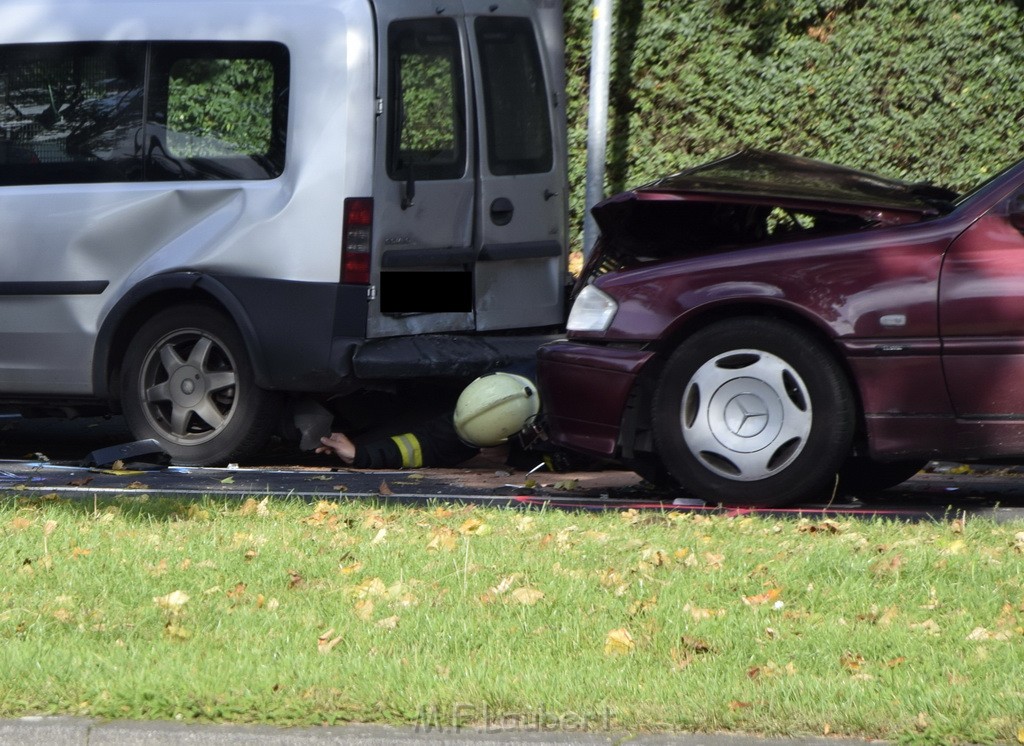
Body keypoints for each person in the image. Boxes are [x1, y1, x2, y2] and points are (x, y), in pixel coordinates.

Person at [316, 372, 541, 469]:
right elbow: (425, 446)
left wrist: (514, 457)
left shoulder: (565, 416)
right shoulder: (487, 395)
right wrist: (359, 454)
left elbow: (568, 461)